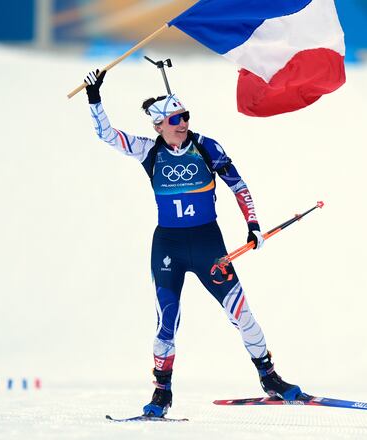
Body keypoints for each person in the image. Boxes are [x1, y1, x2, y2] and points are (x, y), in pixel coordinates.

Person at [83, 69, 304, 417]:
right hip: (168, 246)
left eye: (185, 116)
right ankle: (161, 393)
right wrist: (95, 99)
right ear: (158, 125)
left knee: (242, 314)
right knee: (166, 321)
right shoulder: (148, 151)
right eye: (174, 119)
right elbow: (107, 135)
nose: (182, 123)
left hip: (207, 246)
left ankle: (269, 377)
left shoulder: (206, 147)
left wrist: (254, 226)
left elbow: (239, 185)